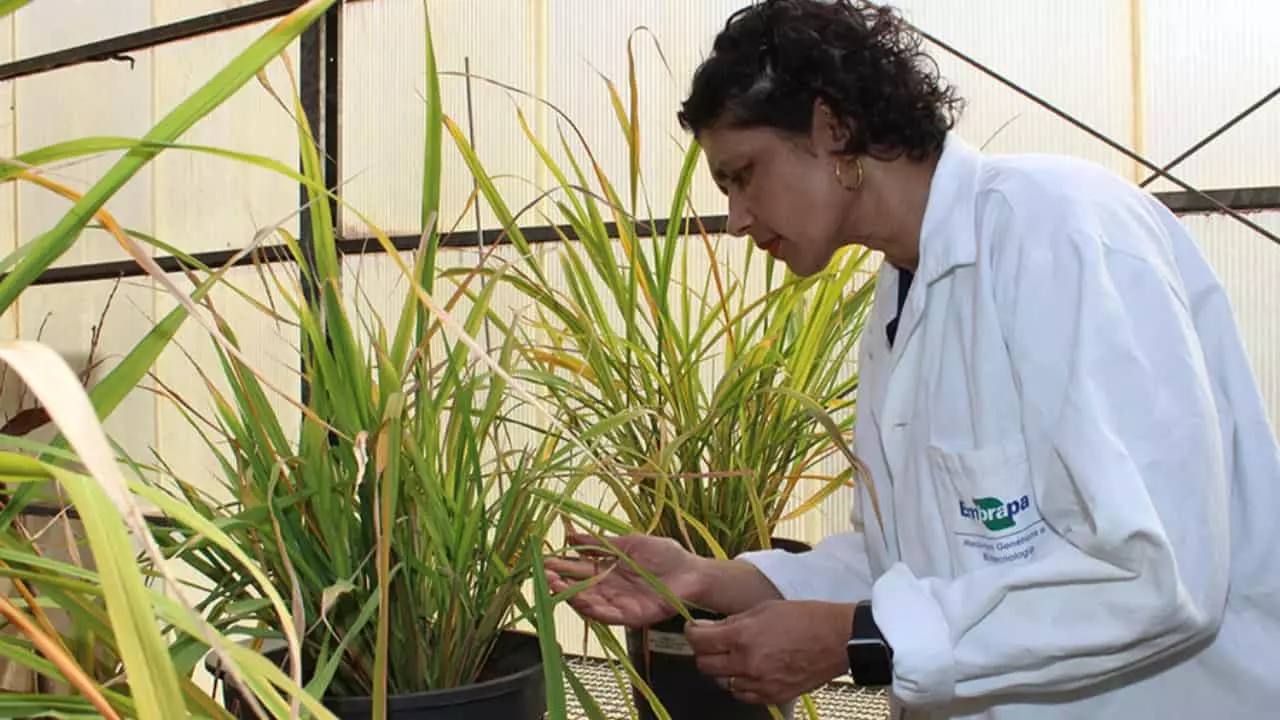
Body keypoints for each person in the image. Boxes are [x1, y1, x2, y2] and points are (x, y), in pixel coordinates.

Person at [545, 0, 1280, 718]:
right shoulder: (903, 298)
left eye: (744, 174)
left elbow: (1156, 574)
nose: (735, 218)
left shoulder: (1058, 233)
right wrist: (712, 578)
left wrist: (858, 638)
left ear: (831, 126)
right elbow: (919, 567)